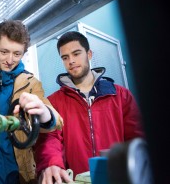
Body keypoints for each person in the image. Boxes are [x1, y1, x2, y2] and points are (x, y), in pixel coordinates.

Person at [34, 31, 145, 183]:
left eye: (76, 53)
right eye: (65, 57)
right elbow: (49, 139)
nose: (71, 61)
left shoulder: (120, 95)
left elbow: (136, 139)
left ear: (89, 54)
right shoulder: (54, 102)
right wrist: (52, 163)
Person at [0, 20, 63, 184]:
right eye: (4, 52)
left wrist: (45, 113)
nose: (10, 60)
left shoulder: (30, 83)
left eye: (17, 54)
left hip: (19, 176)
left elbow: (56, 122)